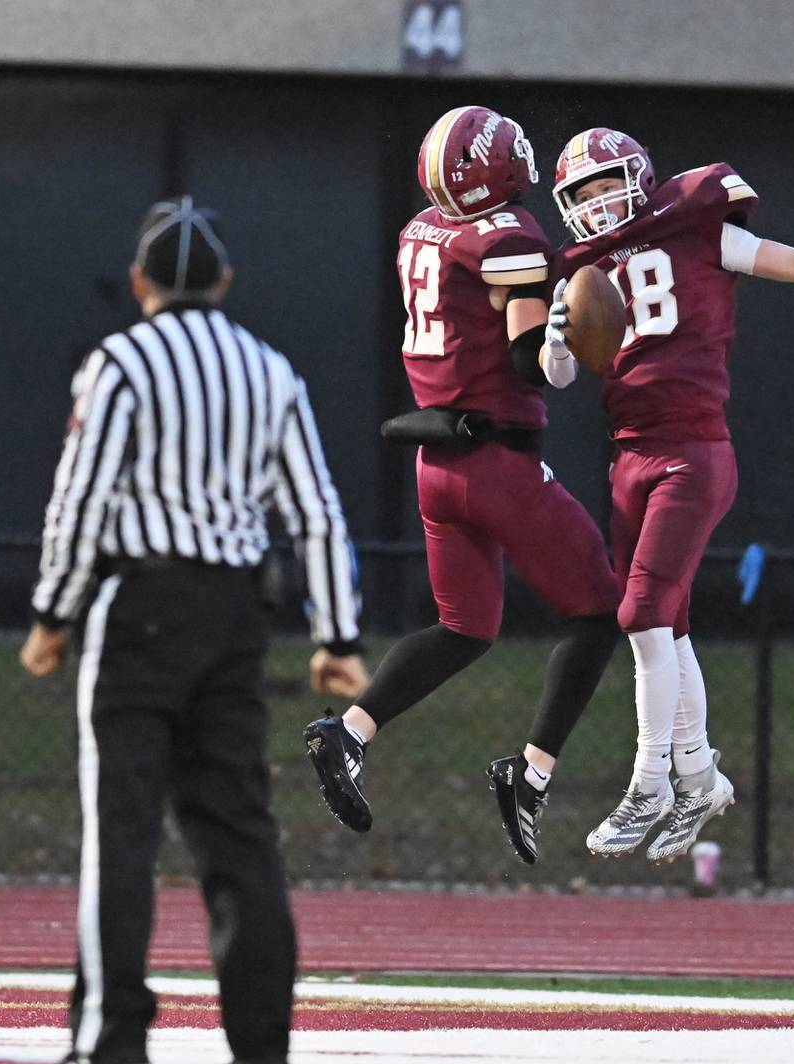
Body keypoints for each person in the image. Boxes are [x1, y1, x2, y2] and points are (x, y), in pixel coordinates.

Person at [20, 197, 367, 1064]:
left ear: (139, 283)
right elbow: (316, 511)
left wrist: (51, 614)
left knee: (122, 832)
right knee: (241, 832)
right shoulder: (270, 370)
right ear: (224, 282)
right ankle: (260, 1045)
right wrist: (338, 636)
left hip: (140, 609)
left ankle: (111, 1038)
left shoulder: (122, 363)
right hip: (234, 620)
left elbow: (82, 499)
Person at [544, 128, 794, 863]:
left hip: (693, 448)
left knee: (642, 614)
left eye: (604, 185)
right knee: (669, 627)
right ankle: (701, 777)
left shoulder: (692, 224)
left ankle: (651, 783)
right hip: (629, 455)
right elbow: (558, 377)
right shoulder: (577, 272)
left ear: (640, 177)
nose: (595, 203)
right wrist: (558, 338)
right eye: (581, 195)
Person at [302, 106, 622, 866]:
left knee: (467, 628)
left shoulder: (424, 228)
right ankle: (532, 771)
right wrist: (570, 334)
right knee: (599, 611)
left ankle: (348, 733)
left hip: (435, 461)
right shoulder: (508, 236)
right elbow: (521, 361)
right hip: (497, 461)